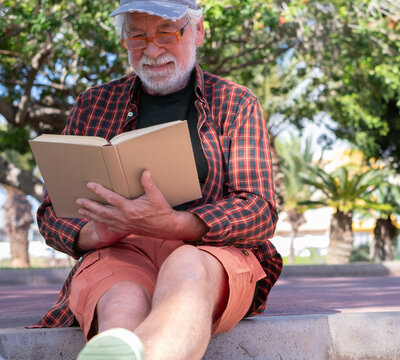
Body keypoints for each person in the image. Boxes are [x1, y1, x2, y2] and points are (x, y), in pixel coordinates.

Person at [33, 0, 282, 359]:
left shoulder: (235, 103)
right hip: (120, 250)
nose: (152, 50)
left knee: (187, 270)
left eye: (166, 33)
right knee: (121, 300)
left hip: (205, 252)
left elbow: (259, 210)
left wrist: (176, 223)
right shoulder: (92, 104)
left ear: (197, 30)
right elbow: (51, 212)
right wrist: (94, 233)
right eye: (137, 36)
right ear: (125, 42)